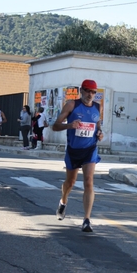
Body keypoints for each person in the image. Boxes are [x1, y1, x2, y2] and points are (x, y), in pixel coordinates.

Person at [52, 79, 103, 232]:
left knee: (88, 181)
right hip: (74, 150)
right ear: (82, 91)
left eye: (93, 92)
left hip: (90, 149)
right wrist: (69, 125)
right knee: (70, 182)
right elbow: (55, 126)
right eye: (88, 91)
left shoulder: (97, 107)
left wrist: (100, 133)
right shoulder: (71, 105)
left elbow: (98, 124)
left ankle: (86, 220)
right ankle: (63, 201)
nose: (90, 94)